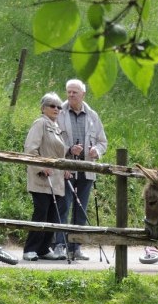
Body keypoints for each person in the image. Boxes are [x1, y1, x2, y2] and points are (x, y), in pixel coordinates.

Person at [54, 78, 108, 262]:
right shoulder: (59, 113)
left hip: (87, 170)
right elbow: (52, 142)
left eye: (74, 92)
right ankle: (59, 246)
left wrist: (96, 151)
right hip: (67, 168)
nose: (70, 95)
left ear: (83, 94)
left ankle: (75, 247)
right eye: (68, 91)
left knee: (81, 209)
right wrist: (68, 151)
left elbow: (103, 142)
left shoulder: (92, 115)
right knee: (64, 206)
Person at [22, 92, 68, 261]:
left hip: (57, 180)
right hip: (42, 178)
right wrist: (41, 168)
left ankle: (43, 249)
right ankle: (30, 249)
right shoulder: (40, 123)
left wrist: (66, 169)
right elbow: (30, 149)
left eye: (59, 107)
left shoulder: (56, 127)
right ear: (43, 108)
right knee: (40, 213)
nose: (56, 109)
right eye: (52, 105)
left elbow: (58, 153)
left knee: (53, 215)